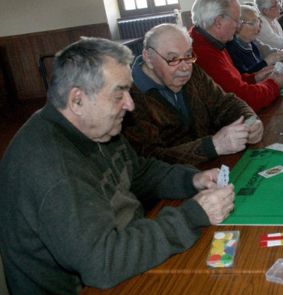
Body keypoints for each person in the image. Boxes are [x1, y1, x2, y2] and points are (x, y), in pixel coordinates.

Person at [0, 37, 235, 294]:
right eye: (119, 94)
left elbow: (137, 172)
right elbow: (103, 262)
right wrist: (193, 214)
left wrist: (191, 180)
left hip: (126, 257)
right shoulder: (50, 167)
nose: (130, 104)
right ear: (77, 100)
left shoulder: (97, 127)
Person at [123, 23, 263, 166]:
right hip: (177, 183)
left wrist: (250, 120)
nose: (185, 67)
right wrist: (213, 146)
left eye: (188, 55)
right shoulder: (128, 98)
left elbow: (225, 103)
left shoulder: (193, 72)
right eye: (173, 59)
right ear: (148, 58)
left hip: (215, 168)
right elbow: (149, 160)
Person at [190, 0, 283, 112]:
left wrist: (255, 77)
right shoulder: (202, 52)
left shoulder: (212, 40)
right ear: (218, 22)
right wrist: (274, 85)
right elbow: (242, 100)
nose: (238, 26)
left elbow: (232, 83)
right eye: (237, 20)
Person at [226, 5, 283, 74]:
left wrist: (276, 61)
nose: (258, 27)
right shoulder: (231, 49)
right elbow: (244, 76)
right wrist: (267, 61)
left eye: (258, 21)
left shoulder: (252, 43)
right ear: (238, 25)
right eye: (252, 23)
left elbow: (259, 68)